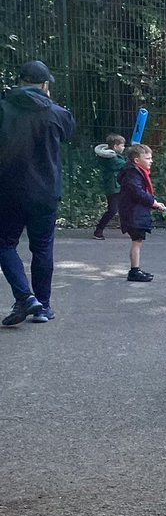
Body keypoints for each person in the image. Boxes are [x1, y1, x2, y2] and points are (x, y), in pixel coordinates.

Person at [0, 60, 75, 326]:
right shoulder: (58, 113)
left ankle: (25, 296)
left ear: (20, 81)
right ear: (45, 85)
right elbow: (68, 134)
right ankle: (42, 306)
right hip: (45, 191)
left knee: (4, 244)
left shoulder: (3, 109)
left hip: (8, 191)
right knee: (42, 247)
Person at [117, 143, 166, 282]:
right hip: (133, 214)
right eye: (148, 158)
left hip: (135, 212)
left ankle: (135, 269)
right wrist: (153, 202)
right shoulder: (132, 174)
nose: (151, 161)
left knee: (137, 241)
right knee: (137, 241)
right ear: (137, 160)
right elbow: (137, 193)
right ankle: (134, 270)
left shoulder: (134, 173)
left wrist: (153, 202)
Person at [92, 133, 126, 239]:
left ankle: (129, 228)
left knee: (124, 208)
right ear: (115, 146)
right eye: (122, 145)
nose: (123, 147)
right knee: (112, 210)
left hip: (117, 186)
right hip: (113, 187)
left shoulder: (113, 156)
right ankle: (98, 230)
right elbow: (124, 164)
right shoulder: (110, 159)